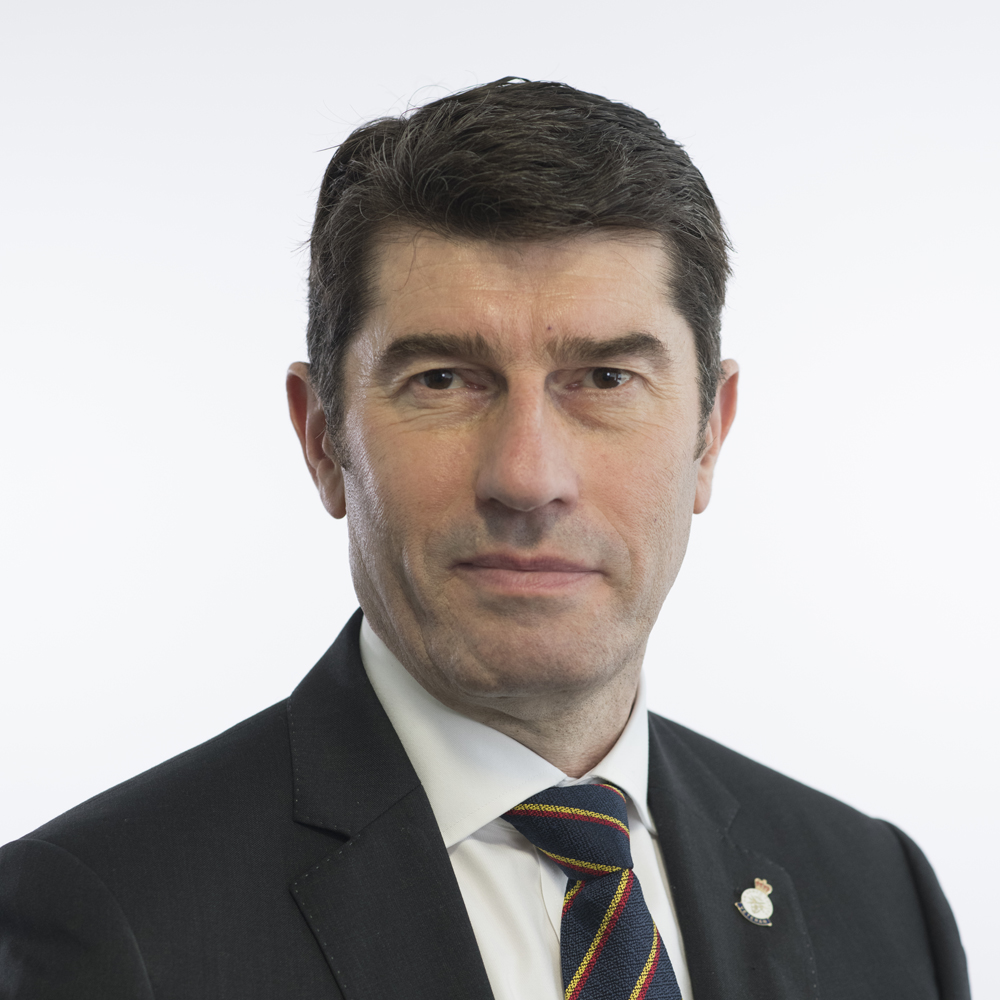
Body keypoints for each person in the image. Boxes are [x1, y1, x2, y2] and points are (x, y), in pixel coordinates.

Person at [0, 78, 969, 1000]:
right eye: (443, 380)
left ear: (709, 434)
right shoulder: (97, 917)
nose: (527, 477)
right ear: (323, 437)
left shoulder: (875, 892)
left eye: (602, 379)